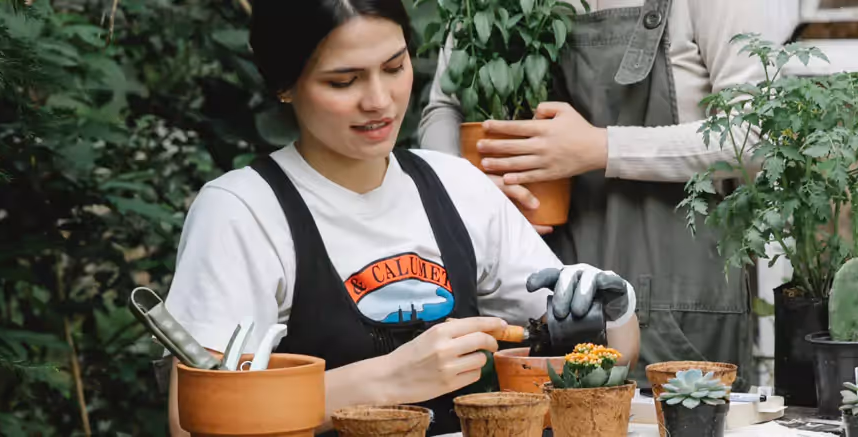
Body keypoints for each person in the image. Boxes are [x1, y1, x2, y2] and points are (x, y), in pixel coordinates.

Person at [160, 1, 640, 435]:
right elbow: (195, 421)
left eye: (394, 67)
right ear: (284, 85)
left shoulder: (458, 186)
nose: (379, 101)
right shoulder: (242, 211)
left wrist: (609, 315)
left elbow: (597, 357)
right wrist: (389, 378)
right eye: (342, 81)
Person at [419, 0, 795, 388]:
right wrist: (466, 187)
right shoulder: (485, 9)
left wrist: (601, 148)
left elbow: (755, 136)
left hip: (676, 306)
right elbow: (443, 107)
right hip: (535, 296)